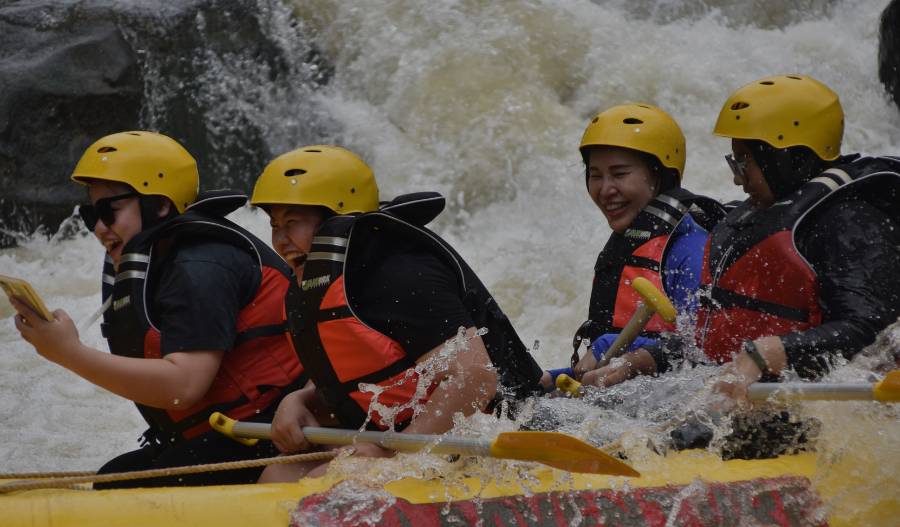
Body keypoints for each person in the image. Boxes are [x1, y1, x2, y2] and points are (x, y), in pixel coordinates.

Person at [9, 131, 305, 487]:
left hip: (277, 433)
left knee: (118, 487)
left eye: (109, 211)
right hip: (228, 433)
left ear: (160, 205)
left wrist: (68, 353)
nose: (99, 228)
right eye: (91, 214)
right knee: (113, 478)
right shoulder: (159, 261)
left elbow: (184, 386)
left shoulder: (201, 264)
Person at [584, 74, 900, 403]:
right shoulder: (756, 219)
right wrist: (641, 362)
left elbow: (870, 331)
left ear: (790, 156)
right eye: (734, 161)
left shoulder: (851, 221)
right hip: (758, 397)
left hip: (828, 407)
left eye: (745, 161)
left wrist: (766, 354)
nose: (737, 178)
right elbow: (716, 335)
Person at [250, 145, 543, 481]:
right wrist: (301, 400)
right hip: (409, 442)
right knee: (278, 475)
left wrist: (394, 453)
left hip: (495, 436)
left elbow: (474, 379)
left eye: (292, 223)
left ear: (338, 222)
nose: (281, 240)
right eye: (275, 225)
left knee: (326, 481)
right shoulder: (318, 286)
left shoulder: (401, 274)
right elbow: (371, 378)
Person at [542, 103, 725, 389]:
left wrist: (606, 345)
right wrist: (549, 379)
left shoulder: (691, 250)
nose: (605, 190)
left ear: (657, 176)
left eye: (619, 173)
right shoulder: (629, 243)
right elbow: (599, 367)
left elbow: (706, 345)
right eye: (595, 175)